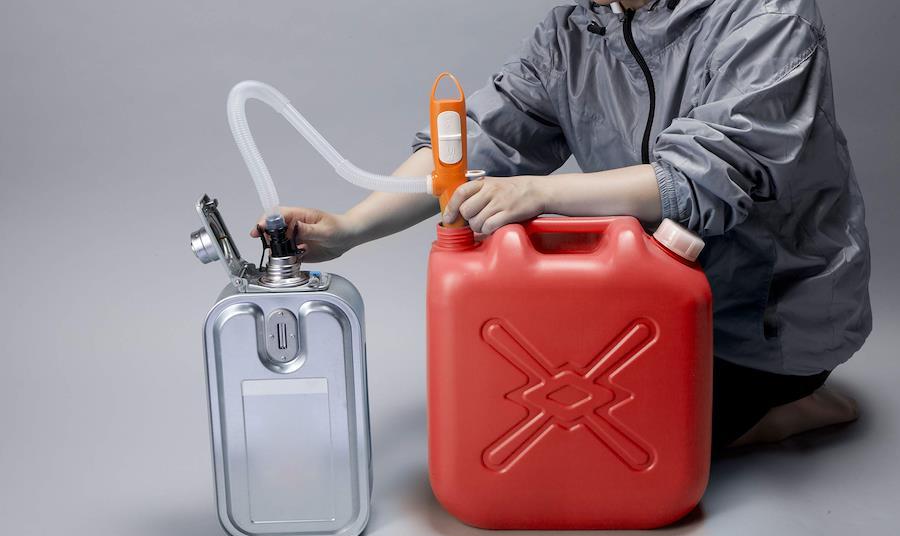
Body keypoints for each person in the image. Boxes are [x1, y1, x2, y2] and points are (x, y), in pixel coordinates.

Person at [252, 0, 870, 450]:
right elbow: (479, 141)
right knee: (526, 409)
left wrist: (540, 192)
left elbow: (706, 178)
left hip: (764, 321)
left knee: (619, 442)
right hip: (648, 302)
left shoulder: (768, 18)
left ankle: (788, 410)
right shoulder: (578, 30)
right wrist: (349, 229)